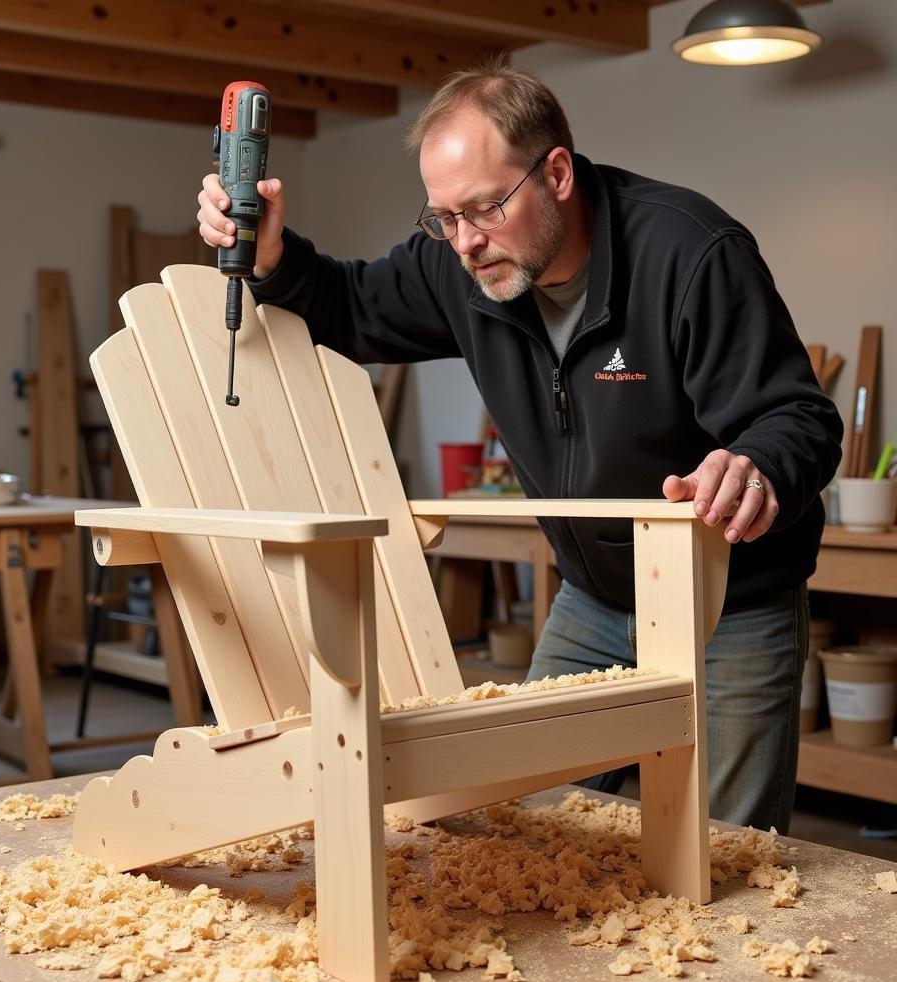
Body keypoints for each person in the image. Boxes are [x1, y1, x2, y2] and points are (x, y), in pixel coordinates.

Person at [197, 61, 843, 833]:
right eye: (443, 216)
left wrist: (757, 466)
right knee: (514, 823)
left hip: (729, 602)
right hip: (595, 600)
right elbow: (349, 303)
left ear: (558, 173)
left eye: (485, 208)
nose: (465, 241)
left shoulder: (689, 253)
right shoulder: (460, 261)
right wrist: (271, 255)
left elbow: (798, 418)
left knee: (727, 853)